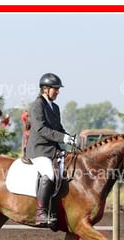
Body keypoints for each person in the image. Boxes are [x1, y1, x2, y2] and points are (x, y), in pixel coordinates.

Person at [25, 72, 76, 226]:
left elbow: (58, 129)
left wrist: (69, 138)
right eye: (55, 89)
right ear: (45, 89)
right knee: (49, 174)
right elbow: (40, 129)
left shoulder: (55, 107)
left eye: (58, 89)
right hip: (39, 149)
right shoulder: (37, 105)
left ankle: (55, 209)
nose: (58, 92)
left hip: (53, 150)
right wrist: (63, 138)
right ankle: (41, 213)